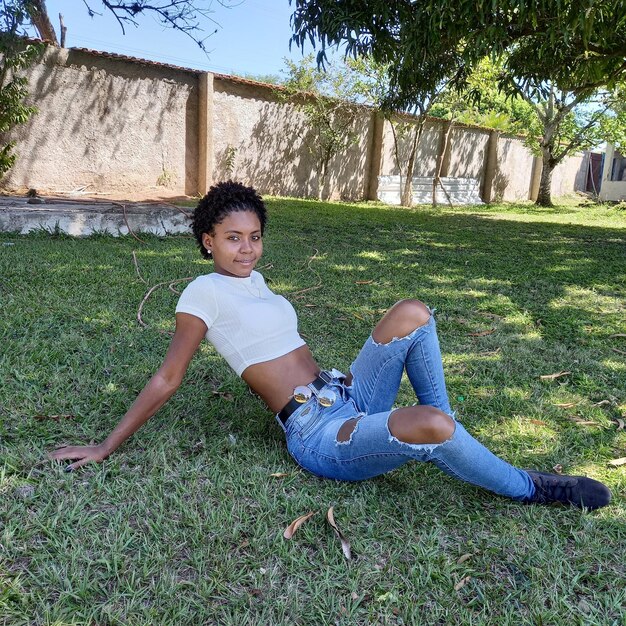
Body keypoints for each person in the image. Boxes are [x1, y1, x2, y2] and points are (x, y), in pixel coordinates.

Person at [50, 181, 611, 511]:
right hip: (319, 434)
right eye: (232, 238)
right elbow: (167, 377)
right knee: (433, 429)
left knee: (412, 313)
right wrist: (105, 447)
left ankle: (443, 426)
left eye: (254, 237)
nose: (246, 249)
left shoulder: (254, 281)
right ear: (207, 241)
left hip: (346, 394)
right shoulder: (202, 292)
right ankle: (528, 488)